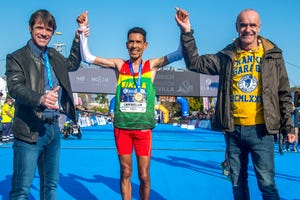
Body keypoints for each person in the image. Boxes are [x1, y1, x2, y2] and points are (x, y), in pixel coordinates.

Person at [175, 7, 294, 200]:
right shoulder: (225, 56)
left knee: (267, 184)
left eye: (252, 25)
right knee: (238, 184)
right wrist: (186, 31)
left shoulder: (273, 55)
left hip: (262, 131)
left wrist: (289, 126)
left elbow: (283, 92)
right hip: (233, 131)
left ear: (259, 27)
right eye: (243, 25)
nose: (248, 29)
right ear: (237, 27)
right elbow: (194, 63)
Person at [77, 11, 182, 200]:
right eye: (131, 42)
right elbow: (87, 57)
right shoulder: (119, 65)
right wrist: (83, 30)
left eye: (138, 42)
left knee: (144, 176)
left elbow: (179, 54)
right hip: (122, 129)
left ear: (145, 45)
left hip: (143, 131)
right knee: (125, 172)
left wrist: (184, 29)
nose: (134, 45)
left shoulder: (152, 66)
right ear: (127, 45)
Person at [5, 9, 81, 199]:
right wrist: (40, 98)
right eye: (39, 27)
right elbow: (15, 88)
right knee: (21, 190)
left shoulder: (54, 55)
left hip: (53, 130)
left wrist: (78, 36)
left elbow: (73, 63)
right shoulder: (16, 57)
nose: (44, 33)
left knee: (50, 187)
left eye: (48, 29)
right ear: (30, 28)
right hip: (29, 130)